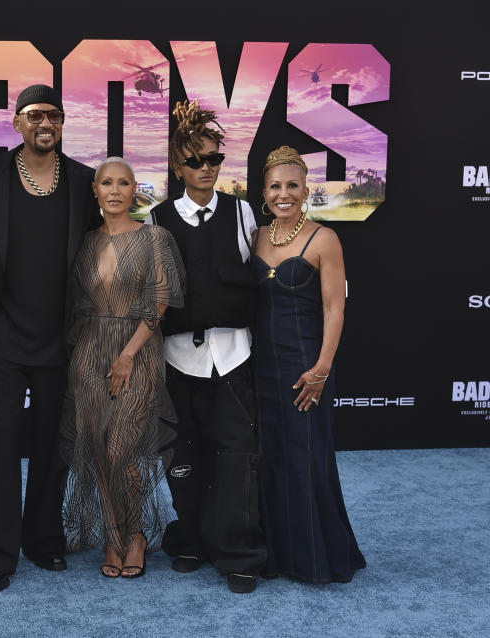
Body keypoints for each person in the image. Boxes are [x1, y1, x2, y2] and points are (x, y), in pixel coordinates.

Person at [0, 84, 101, 593]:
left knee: (52, 444)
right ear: (18, 123)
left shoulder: (83, 182)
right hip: (2, 333)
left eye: (55, 115)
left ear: (63, 123)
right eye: (35, 114)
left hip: (60, 337)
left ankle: (44, 540)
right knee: (0, 447)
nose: (46, 123)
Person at [149, 100, 266, 593]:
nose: (205, 169)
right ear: (178, 166)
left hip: (233, 357)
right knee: (184, 460)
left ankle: (238, 552)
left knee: (238, 458)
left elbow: (264, 277)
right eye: (195, 161)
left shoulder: (242, 213)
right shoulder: (157, 219)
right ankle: (191, 539)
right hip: (179, 362)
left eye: (214, 159)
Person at [59, 157, 184, 578]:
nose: (114, 190)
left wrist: (128, 354)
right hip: (91, 352)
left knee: (121, 448)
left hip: (138, 352)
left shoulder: (155, 238)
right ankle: (115, 536)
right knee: (96, 447)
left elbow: (160, 301)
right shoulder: (85, 242)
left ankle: (137, 536)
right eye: (106, 183)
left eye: (123, 183)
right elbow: (76, 303)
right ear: (94, 190)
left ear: (135, 190)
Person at [252, 145, 366, 583]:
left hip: (305, 368)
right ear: (264, 191)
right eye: (276, 186)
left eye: (293, 186)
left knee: (305, 458)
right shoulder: (257, 236)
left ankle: (314, 557)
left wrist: (321, 370)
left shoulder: (325, 239)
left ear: (306, 190)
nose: (284, 194)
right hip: (260, 368)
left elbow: (335, 309)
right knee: (268, 459)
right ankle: (274, 554)